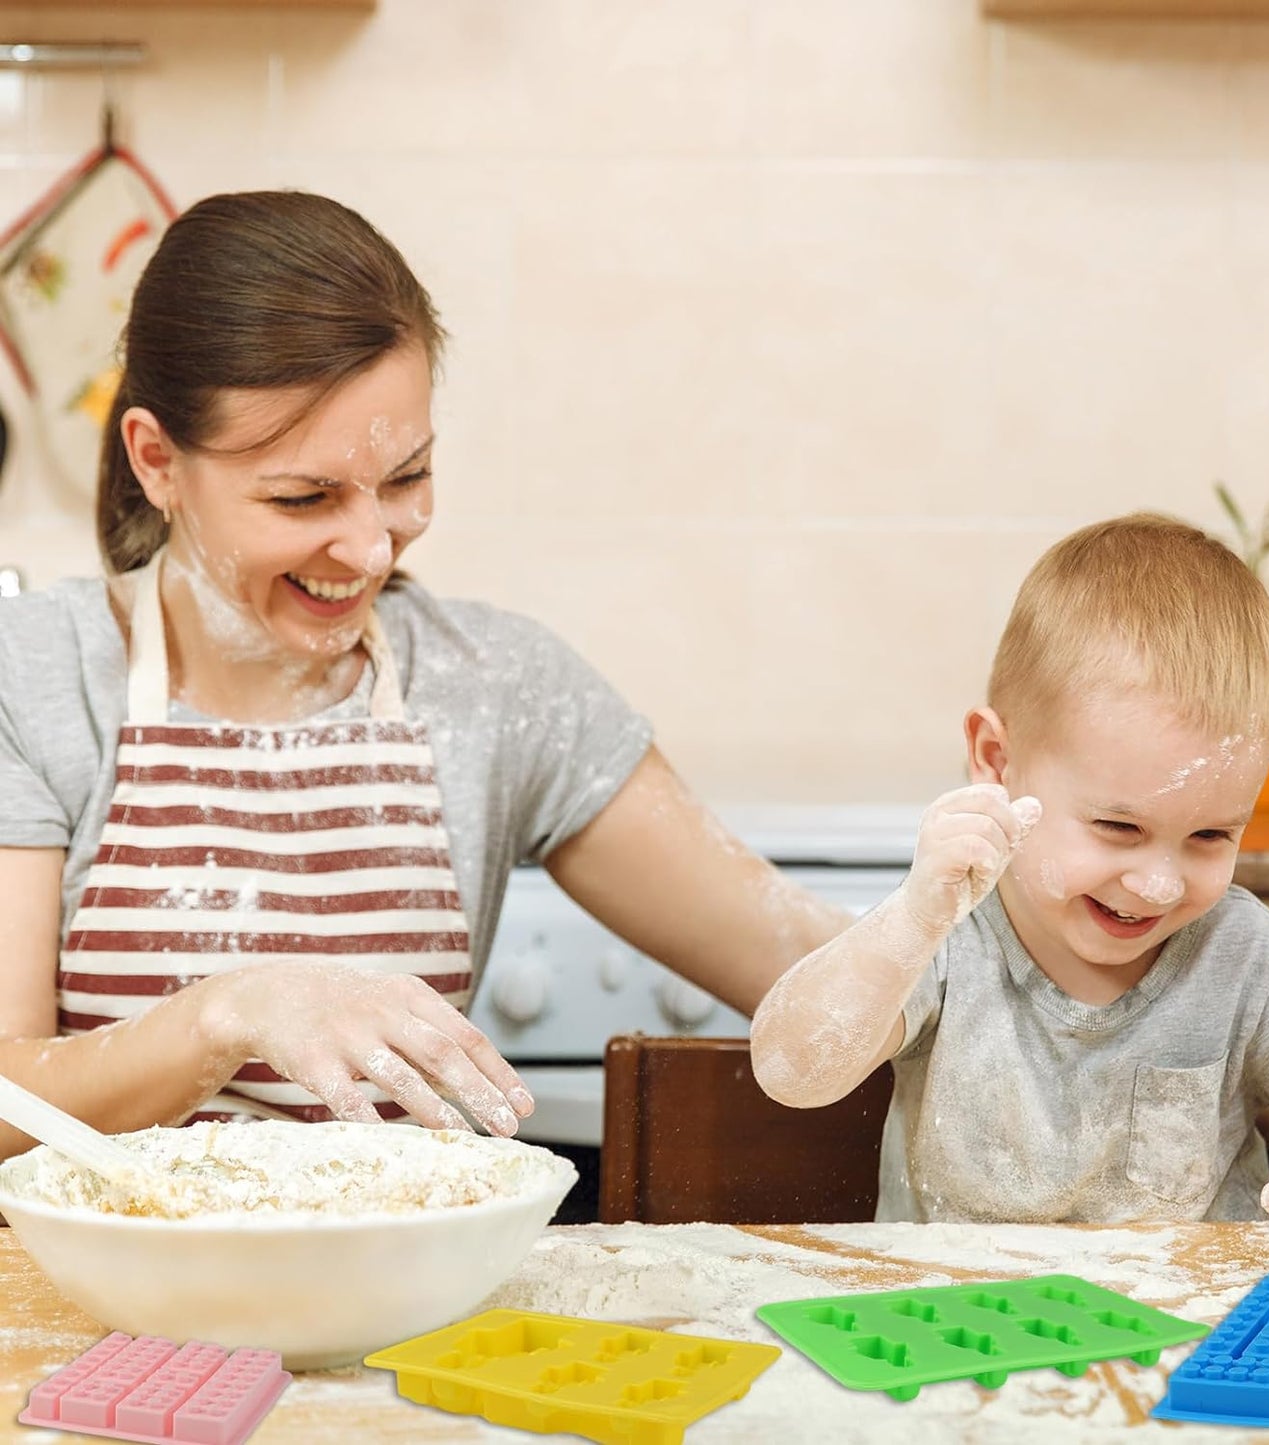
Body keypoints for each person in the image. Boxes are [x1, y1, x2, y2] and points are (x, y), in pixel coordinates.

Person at [0, 190, 852, 1161]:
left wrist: (1009, 882)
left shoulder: (499, 687)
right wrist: (226, 1014)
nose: (368, 548)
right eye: (302, 495)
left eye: (405, 478)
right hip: (92, 1306)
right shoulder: (33, 678)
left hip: (400, 1306)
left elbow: (811, 975)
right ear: (156, 459)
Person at [750, 513, 1269, 1274]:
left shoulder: (1248, 960)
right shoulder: (950, 933)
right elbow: (790, 1069)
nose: (1158, 882)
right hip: (955, 1328)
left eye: (1211, 836)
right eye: (1117, 826)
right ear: (995, 759)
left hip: (1184, 1343)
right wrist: (913, 916)